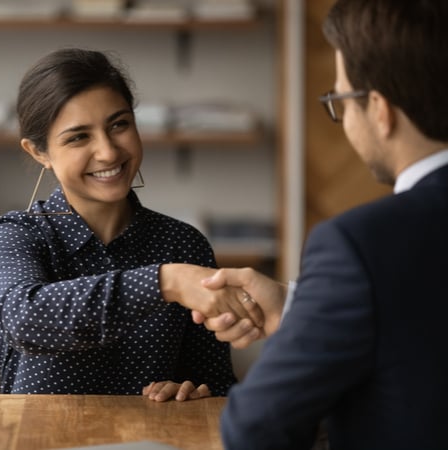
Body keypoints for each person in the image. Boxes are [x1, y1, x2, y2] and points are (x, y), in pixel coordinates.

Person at [188, 0, 448, 448]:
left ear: (380, 111)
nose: (343, 118)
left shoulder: (360, 244)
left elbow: (256, 426)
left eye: (341, 100)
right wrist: (300, 308)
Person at [0, 47, 250, 400]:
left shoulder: (183, 244)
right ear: (39, 152)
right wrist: (164, 282)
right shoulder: (17, 235)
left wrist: (194, 393)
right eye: (79, 137)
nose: (108, 152)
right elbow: (26, 321)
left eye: (119, 125)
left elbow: (216, 384)